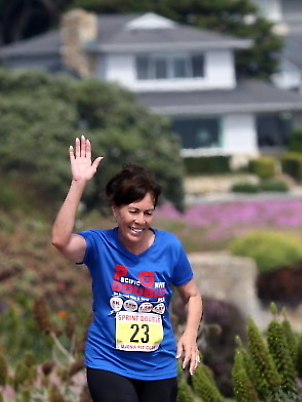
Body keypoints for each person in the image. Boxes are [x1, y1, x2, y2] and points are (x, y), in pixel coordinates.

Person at [52, 135, 203, 402]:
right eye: (133, 211)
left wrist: (190, 334)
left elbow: (192, 295)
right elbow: (60, 240)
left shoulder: (169, 246)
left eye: (148, 213)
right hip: (108, 362)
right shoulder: (98, 245)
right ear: (116, 210)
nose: (140, 220)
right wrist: (78, 183)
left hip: (159, 366)